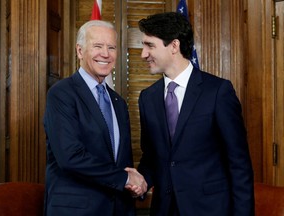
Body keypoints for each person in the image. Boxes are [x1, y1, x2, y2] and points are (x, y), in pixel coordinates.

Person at [137, 12, 254, 216]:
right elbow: (152, 157)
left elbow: (239, 164)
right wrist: (138, 181)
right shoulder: (147, 98)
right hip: (164, 210)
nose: (143, 54)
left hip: (210, 209)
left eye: (150, 45)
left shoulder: (218, 91)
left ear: (174, 45)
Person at [43, 20, 147, 216]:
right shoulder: (62, 93)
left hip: (118, 209)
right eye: (98, 46)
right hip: (77, 210)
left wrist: (134, 185)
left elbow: (122, 161)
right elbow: (70, 157)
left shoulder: (118, 102)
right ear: (80, 51)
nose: (106, 54)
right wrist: (124, 179)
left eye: (111, 47)